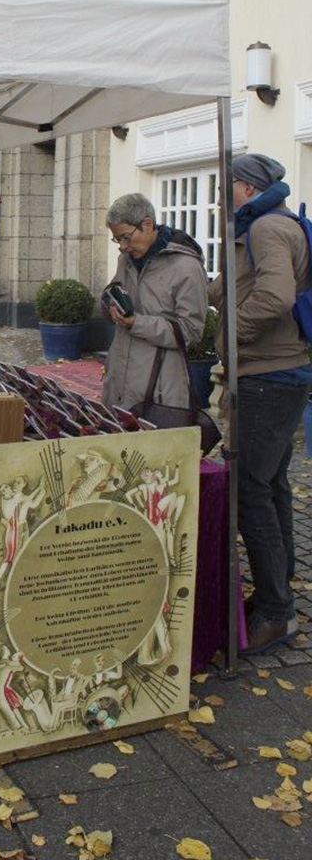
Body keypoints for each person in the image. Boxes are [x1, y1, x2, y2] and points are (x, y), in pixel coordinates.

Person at [208, 153, 312, 653]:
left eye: (226, 186)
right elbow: (245, 288)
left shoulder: (268, 228)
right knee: (270, 489)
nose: (221, 195)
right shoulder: (271, 224)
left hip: (267, 376)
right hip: (279, 374)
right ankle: (280, 596)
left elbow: (274, 298)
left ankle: (275, 611)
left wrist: (231, 337)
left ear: (246, 187)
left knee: (251, 492)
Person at [101, 193, 208, 409]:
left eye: (125, 237)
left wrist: (136, 323)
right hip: (119, 384)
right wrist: (110, 304)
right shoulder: (126, 260)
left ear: (147, 224)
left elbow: (190, 332)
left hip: (160, 390)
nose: (122, 246)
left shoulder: (186, 267)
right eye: (117, 239)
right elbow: (113, 290)